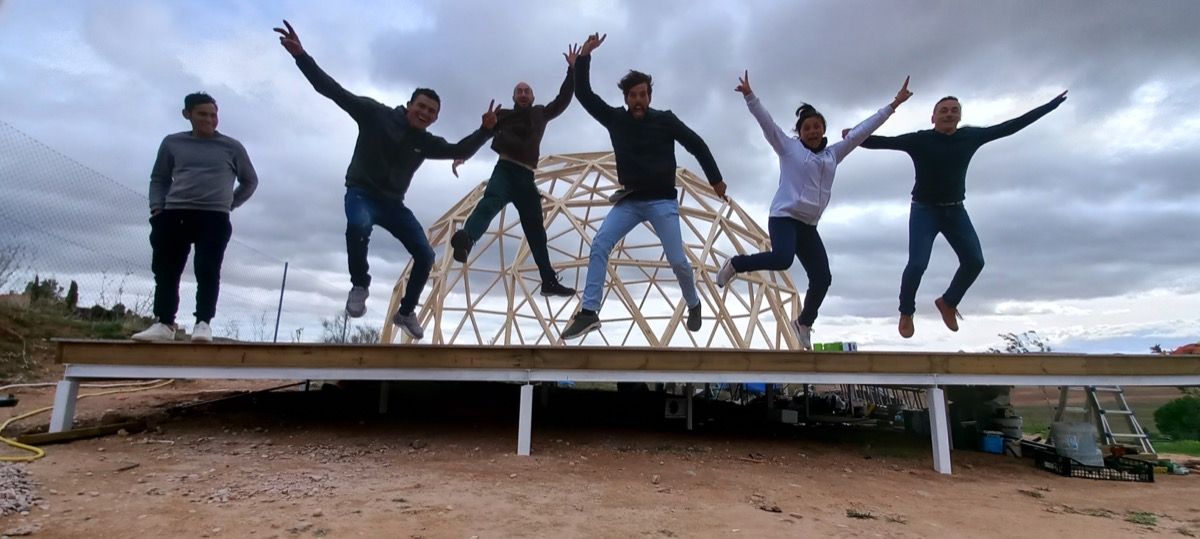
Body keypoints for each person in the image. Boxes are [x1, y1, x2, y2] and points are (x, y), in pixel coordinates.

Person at [273, 20, 498, 340]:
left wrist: (486, 130)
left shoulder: (426, 142)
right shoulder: (374, 114)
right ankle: (360, 285)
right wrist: (301, 56)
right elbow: (333, 91)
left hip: (393, 204)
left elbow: (460, 150)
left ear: (435, 118)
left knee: (425, 255)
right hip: (361, 193)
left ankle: (406, 312)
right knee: (359, 224)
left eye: (432, 112)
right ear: (409, 105)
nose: (425, 113)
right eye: (421, 106)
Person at [717, 72, 912, 350]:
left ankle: (804, 323)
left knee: (822, 277)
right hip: (784, 217)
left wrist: (894, 104)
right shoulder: (788, 148)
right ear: (800, 132)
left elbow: (862, 131)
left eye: (817, 126)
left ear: (823, 129)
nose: (812, 131)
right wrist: (750, 96)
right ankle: (736, 264)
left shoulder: (834, 154)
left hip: (808, 225)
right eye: (807, 128)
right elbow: (767, 124)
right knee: (783, 258)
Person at [856, 90, 1068, 338]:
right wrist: (854, 136)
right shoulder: (920, 140)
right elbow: (882, 142)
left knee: (975, 261)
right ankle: (906, 313)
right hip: (925, 210)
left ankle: (948, 302)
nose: (949, 114)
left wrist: (1050, 106)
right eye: (943, 111)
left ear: (960, 117)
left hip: (955, 210)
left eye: (954, 110)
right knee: (917, 264)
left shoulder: (971, 136)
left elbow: (1010, 126)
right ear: (933, 118)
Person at [559, 33, 727, 340]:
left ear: (650, 96)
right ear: (626, 98)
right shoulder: (615, 119)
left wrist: (714, 178)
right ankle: (589, 311)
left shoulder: (665, 120)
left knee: (677, 261)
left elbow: (696, 144)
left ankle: (693, 303)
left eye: (643, 95)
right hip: (631, 200)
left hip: (662, 201)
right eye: (634, 95)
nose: (639, 100)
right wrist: (584, 57)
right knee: (599, 244)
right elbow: (584, 95)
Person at [447, 45, 580, 297]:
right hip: (505, 170)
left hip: (526, 177)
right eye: (519, 91)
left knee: (536, 230)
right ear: (513, 97)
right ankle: (467, 239)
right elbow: (483, 134)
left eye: (527, 91)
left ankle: (548, 281)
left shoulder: (540, 113)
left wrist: (572, 69)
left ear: (533, 96)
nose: (523, 94)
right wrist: (464, 153)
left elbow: (563, 99)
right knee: (490, 202)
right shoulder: (502, 116)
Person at [132, 92, 258, 342]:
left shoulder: (232, 147)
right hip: (174, 214)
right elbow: (159, 178)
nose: (209, 119)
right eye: (202, 114)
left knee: (207, 269)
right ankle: (164, 324)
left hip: (214, 217)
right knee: (167, 271)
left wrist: (229, 203)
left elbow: (250, 181)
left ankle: (203, 323)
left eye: (213, 115)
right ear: (187, 114)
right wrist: (157, 208)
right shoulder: (172, 143)